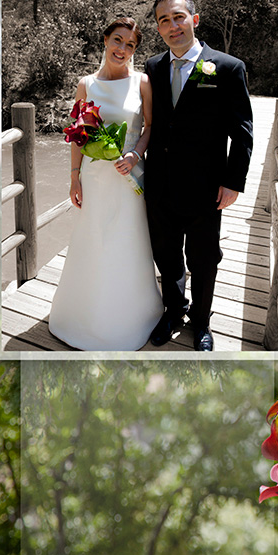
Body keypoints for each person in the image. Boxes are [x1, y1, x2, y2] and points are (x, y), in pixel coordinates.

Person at [143, 0, 253, 352]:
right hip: (159, 185)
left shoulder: (227, 67)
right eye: (163, 20)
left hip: (207, 188)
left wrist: (233, 182)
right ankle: (174, 312)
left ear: (195, 19)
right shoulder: (153, 67)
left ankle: (202, 323)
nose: (172, 26)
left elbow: (242, 132)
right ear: (158, 28)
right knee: (167, 255)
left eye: (178, 17)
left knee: (204, 260)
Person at [49, 17, 163, 351]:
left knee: (126, 241)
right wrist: (74, 177)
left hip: (128, 178)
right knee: (94, 240)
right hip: (95, 178)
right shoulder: (86, 85)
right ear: (105, 40)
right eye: (118, 40)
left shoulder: (142, 82)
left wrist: (135, 156)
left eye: (130, 45)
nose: (123, 49)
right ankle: (82, 316)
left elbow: (150, 127)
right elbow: (77, 134)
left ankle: (130, 317)